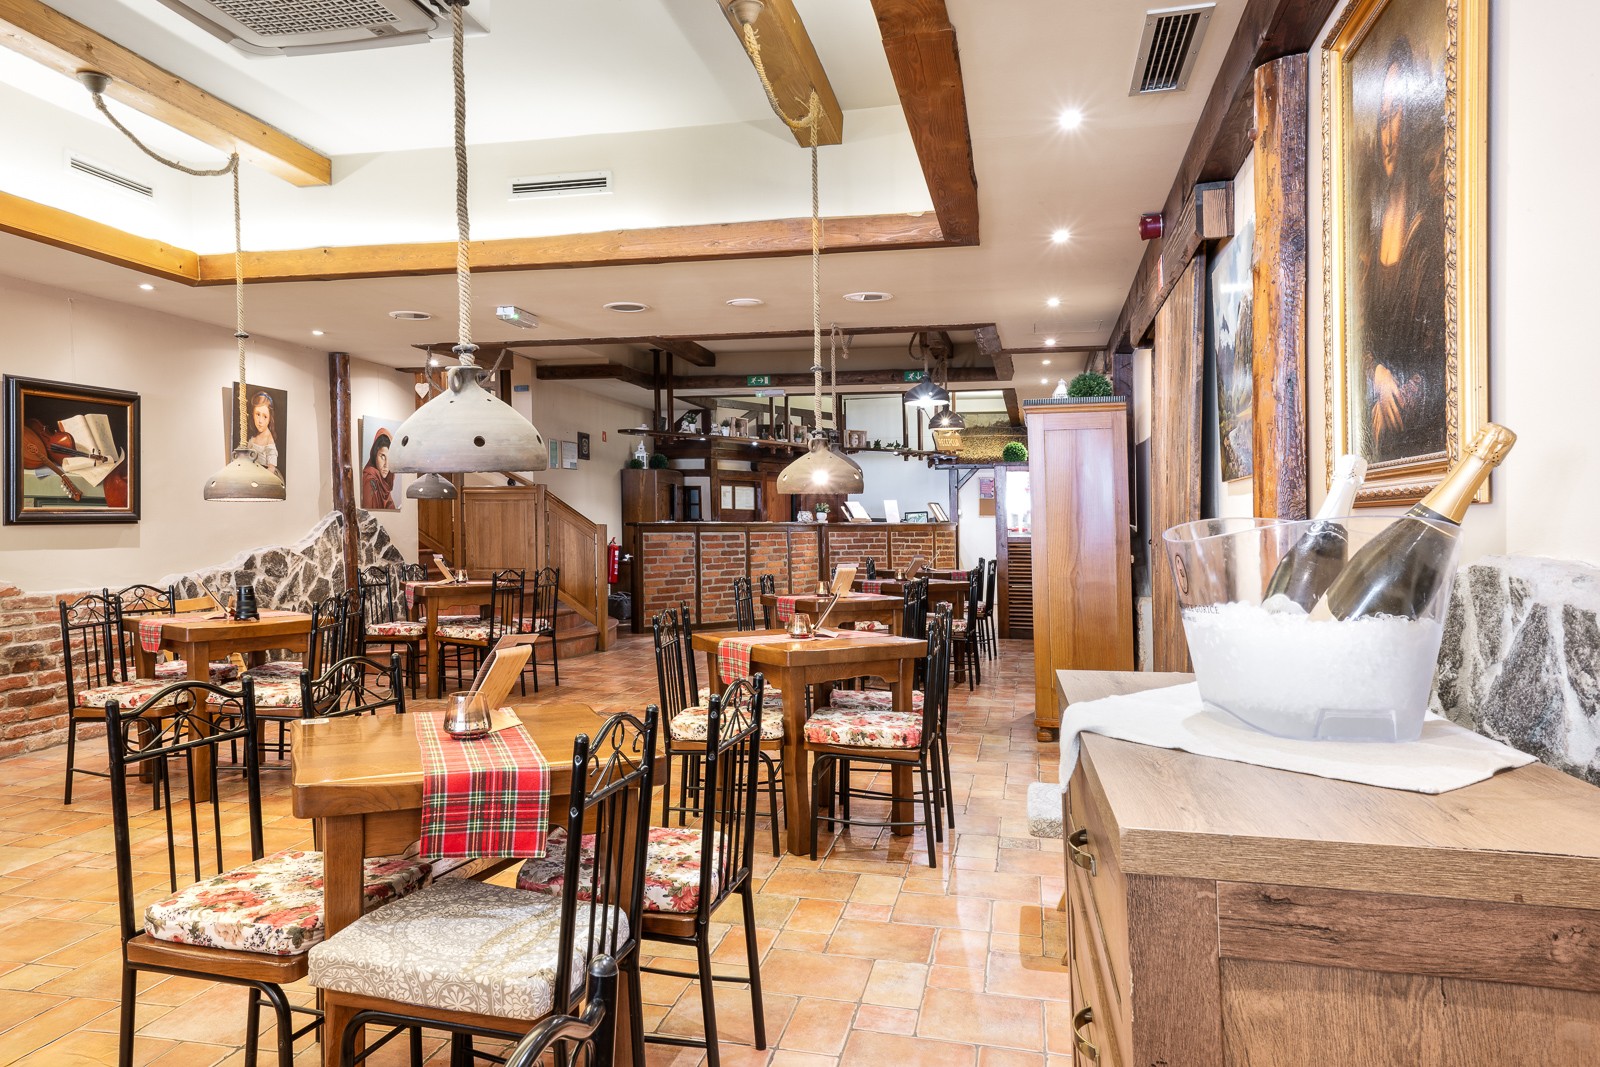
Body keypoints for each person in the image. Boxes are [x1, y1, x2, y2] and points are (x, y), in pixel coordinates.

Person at [1351, 32, 1447, 464]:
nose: (1388, 136)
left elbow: (1443, 355)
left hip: (1421, 440)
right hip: (1378, 431)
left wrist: (1398, 394)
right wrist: (1376, 374)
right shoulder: (1371, 233)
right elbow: (1359, 336)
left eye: (1397, 117)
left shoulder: (1429, 228)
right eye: (1383, 118)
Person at [245, 391, 280, 476]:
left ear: (270, 418)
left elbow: (271, 467)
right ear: (253, 414)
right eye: (257, 414)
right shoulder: (254, 436)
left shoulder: (268, 438)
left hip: (264, 476)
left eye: (265, 416)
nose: (260, 421)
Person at [361, 430, 395, 509]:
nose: (386, 465)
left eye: (389, 458)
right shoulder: (369, 479)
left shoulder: (384, 485)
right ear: (375, 454)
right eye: (382, 456)